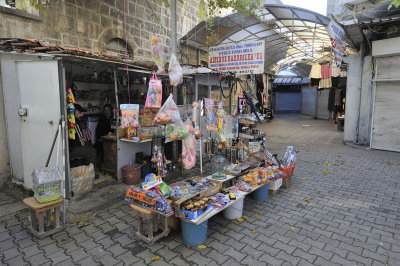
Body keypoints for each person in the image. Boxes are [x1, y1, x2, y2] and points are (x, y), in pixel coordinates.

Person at [69, 104, 97, 170]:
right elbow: (80, 140)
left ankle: (87, 171)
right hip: (72, 149)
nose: (82, 115)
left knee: (91, 149)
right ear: (74, 111)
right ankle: (91, 173)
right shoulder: (74, 123)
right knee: (92, 151)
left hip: (75, 147)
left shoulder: (76, 121)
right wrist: (87, 147)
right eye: (80, 112)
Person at [95, 104, 114, 169]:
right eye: (105, 110)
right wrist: (100, 138)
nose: (107, 111)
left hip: (111, 140)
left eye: (108, 110)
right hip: (102, 139)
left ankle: (108, 165)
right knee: (99, 148)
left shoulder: (113, 119)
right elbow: (98, 131)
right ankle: (100, 165)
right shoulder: (102, 119)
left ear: (111, 111)